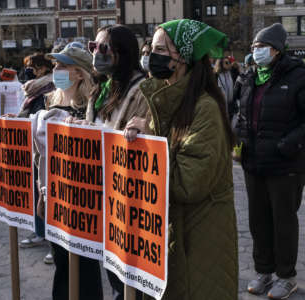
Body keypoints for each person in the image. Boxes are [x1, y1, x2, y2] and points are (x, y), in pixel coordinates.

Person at [124, 19, 238, 300]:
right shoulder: (166, 100)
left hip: (198, 241)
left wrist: (150, 137)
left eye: (161, 49)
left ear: (184, 58)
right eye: (151, 47)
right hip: (172, 238)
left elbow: (189, 183)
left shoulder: (205, 109)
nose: (151, 55)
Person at [234, 23, 305, 300]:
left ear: (276, 50)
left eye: (261, 47)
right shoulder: (251, 77)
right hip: (254, 163)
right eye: (254, 47)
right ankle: (264, 272)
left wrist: (287, 145)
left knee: (283, 222)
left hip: (285, 165)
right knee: (258, 221)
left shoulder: (298, 76)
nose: (255, 51)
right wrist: (239, 147)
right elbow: (241, 117)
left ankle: (286, 277)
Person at [32, 43, 103, 300]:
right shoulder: (49, 104)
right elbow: (41, 156)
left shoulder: (94, 108)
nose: (56, 71)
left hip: (84, 202)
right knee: (62, 262)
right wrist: (42, 192)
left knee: (84, 266)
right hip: (56, 197)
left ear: (80, 73)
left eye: (63, 66)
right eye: (55, 66)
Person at [84, 24, 148, 300]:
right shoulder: (101, 88)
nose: (96, 54)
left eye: (103, 48)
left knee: (127, 274)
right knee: (112, 269)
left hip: (127, 195)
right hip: (101, 189)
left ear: (123, 52)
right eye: (93, 47)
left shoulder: (144, 90)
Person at [17, 53, 55, 265]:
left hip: (46, 148)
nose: (30, 70)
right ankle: (40, 232)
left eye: (34, 66)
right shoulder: (33, 88)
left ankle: (53, 241)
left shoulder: (51, 86)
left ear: (43, 68)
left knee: (46, 194)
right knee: (36, 192)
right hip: (34, 147)